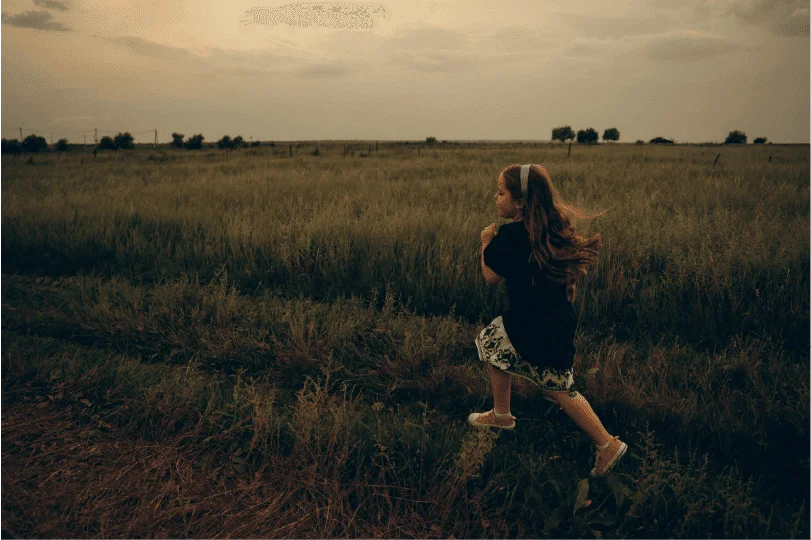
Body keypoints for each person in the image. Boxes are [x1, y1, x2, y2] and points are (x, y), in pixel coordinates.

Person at [467, 163, 627, 478]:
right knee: (496, 346)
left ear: (519, 203)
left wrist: (485, 242)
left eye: (501, 192)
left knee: (557, 387)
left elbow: (489, 277)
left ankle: (606, 444)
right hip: (552, 319)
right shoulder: (551, 229)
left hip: (533, 325)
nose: (495, 197)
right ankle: (502, 414)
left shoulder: (509, 235)